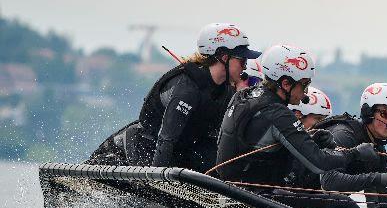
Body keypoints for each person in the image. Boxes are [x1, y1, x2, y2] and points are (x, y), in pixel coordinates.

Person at [215, 44, 387, 208]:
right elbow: (320, 163)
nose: (305, 94)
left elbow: (260, 142)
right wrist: (355, 154)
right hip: (256, 200)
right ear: (285, 83)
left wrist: (310, 137)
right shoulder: (278, 114)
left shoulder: (245, 95)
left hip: (236, 191)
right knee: (343, 203)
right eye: (304, 85)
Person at [88, 23, 260, 171]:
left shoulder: (225, 91)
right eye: (242, 60)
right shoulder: (187, 89)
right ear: (224, 57)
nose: (245, 66)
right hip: (147, 147)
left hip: (182, 151)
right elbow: (166, 139)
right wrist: (158, 183)